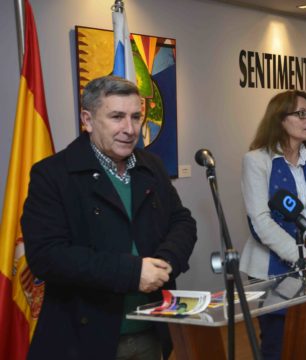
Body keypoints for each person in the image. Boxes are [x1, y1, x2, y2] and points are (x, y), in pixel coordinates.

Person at [21, 76, 197, 360]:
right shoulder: (52, 175)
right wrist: (131, 273)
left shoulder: (150, 165)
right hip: (84, 339)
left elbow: (182, 221)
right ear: (88, 120)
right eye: (117, 117)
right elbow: (46, 256)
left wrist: (166, 261)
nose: (130, 129)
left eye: (136, 117)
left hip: (152, 330)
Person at [240, 90, 306, 359]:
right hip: (272, 271)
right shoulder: (256, 161)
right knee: (280, 347)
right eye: (301, 113)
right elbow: (260, 221)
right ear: (280, 120)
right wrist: (304, 257)